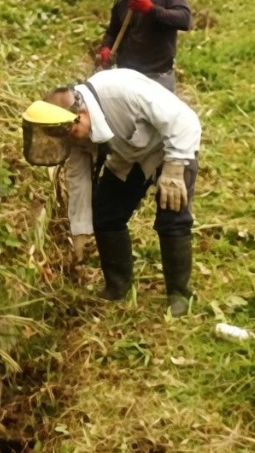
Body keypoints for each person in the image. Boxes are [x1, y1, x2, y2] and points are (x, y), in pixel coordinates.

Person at [36, 68, 201, 317]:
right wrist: (80, 231)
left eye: (71, 134)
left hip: (173, 148)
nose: (72, 141)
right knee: (105, 213)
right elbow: (79, 179)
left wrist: (174, 170)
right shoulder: (74, 132)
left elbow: (184, 120)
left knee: (172, 215)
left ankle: (179, 294)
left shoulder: (120, 92)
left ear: (80, 115)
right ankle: (117, 286)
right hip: (130, 155)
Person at [95, 0, 192, 93]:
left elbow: (184, 20)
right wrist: (106, 47)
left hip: (158, 80)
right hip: (127, 80)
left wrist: (151, 9)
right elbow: (113, 31)